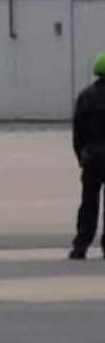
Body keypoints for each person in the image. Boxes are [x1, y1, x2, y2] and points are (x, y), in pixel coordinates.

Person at [70, 53, 105, 259]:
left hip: (92, 159)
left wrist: (81, 156)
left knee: (88, 203)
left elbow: (78, 132)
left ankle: (81, 245)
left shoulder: (85, 96)